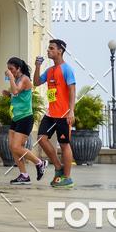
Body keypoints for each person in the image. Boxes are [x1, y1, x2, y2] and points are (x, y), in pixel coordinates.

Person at [34, 39, 76, 188]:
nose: (48, 51)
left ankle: (67, 177)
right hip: (51, 114)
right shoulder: (50, 71)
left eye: (51, 48)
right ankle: (58, 167)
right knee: (41, 138)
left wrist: (71, 111)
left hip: (64, 114)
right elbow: (37, 82)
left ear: (60, 51)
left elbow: (72, 91)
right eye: (48, 48)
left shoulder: (67, 69)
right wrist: (37, 66)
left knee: (64, 144)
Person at [3, 57, 47, 185]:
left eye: (11, 69)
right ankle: (24, 175)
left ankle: (40, 162)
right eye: (8, 69)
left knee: (17, 146)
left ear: (18, 68)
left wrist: (10, 77)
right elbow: (16, 94)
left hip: (25, 118)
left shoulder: (24, 79)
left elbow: (16, 90)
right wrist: (8, 94)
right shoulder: (16, 79)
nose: (9, 71)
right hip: (16, 118)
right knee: (12, 147)